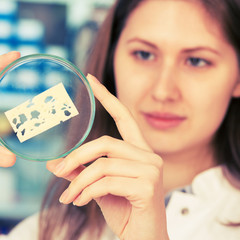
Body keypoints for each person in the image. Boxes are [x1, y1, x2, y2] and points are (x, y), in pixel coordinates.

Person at [1, 0, 240, 239]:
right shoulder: (43, 232)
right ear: (111, 60)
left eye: (197, 61)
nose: (163, 91)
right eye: (144, 54)